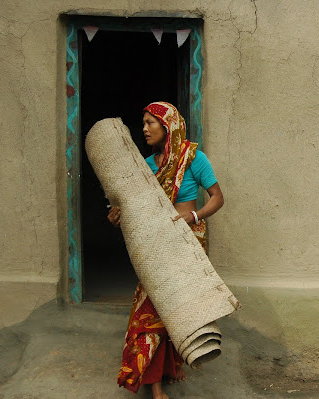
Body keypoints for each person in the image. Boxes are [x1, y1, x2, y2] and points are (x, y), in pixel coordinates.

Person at [108, 101, 224, 399]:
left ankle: (170, 367)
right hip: (157, 245)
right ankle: (155, 385)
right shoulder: (145, 166)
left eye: (150, 123)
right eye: (143, 123)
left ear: (168, 126)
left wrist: (194, 216)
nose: (144, 129)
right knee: (153, 309)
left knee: (178, 307)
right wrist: (117, 216)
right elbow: (135, 210)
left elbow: (217, 198)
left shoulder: (195, 159)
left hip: (187, 243)